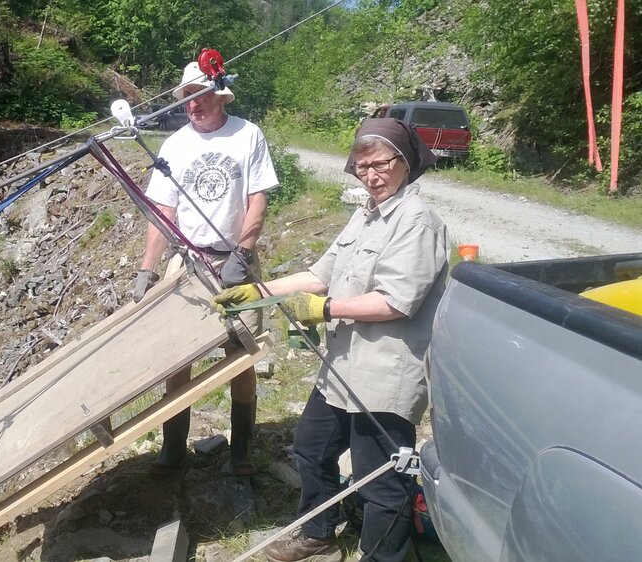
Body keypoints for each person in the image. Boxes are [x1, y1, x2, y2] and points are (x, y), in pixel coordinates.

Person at [213, 118, 447, 562]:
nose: (371, 176)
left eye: (380, 165)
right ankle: (318, 533)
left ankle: (382, 557)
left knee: (380, 479)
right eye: (361, 168)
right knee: (311, 447)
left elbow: (396, 302)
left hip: (385, 372)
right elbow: (320, 275)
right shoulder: (366, 215)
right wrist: (257, 292)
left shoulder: (417, 221)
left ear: (405, 163)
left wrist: (323, 310)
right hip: (342, 366)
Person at [132, 61, 279, 477]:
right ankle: (173, 449)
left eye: (200, 95)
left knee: (242, 352)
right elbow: (163, 211)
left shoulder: (248, 135)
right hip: (189, 259)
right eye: (187, 98)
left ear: (219, 95)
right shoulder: (175, 145)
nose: (193, 105)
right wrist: (148, 269)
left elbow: (257, 200)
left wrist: (244, 250)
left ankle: (242, 451)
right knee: (178, 356)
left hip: (235, 258)